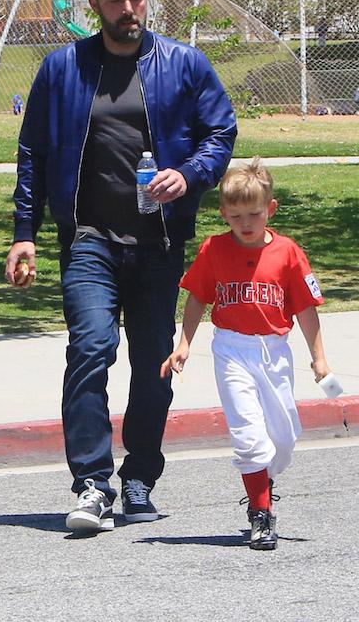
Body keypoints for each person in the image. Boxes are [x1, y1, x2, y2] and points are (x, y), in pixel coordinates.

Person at [4, 0, 237, 533]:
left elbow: (221, 130)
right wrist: (24, 235)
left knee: (154, 363)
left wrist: (190, 174)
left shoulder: (182, 63)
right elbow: (32, 153)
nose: (129, 10)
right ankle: (90, 483)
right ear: (94, 5)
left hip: (159, 242)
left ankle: (139, 476)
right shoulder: (62, 70)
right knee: (89, 349)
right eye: (116, 1)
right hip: (89, 239)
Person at [160, 158, 332, 550]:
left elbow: (305, 308)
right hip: (232, 349)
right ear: (223, 213)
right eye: (235, 215)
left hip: (274, 351)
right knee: (249, 437)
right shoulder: (214, 249)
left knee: (284, 439)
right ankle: (261, 513)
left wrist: (318, 358)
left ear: (270, 209)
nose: (246, 223)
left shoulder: (288, 252)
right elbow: (197, 297)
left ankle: (263, 480)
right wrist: (183, 344)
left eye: (254, 214)